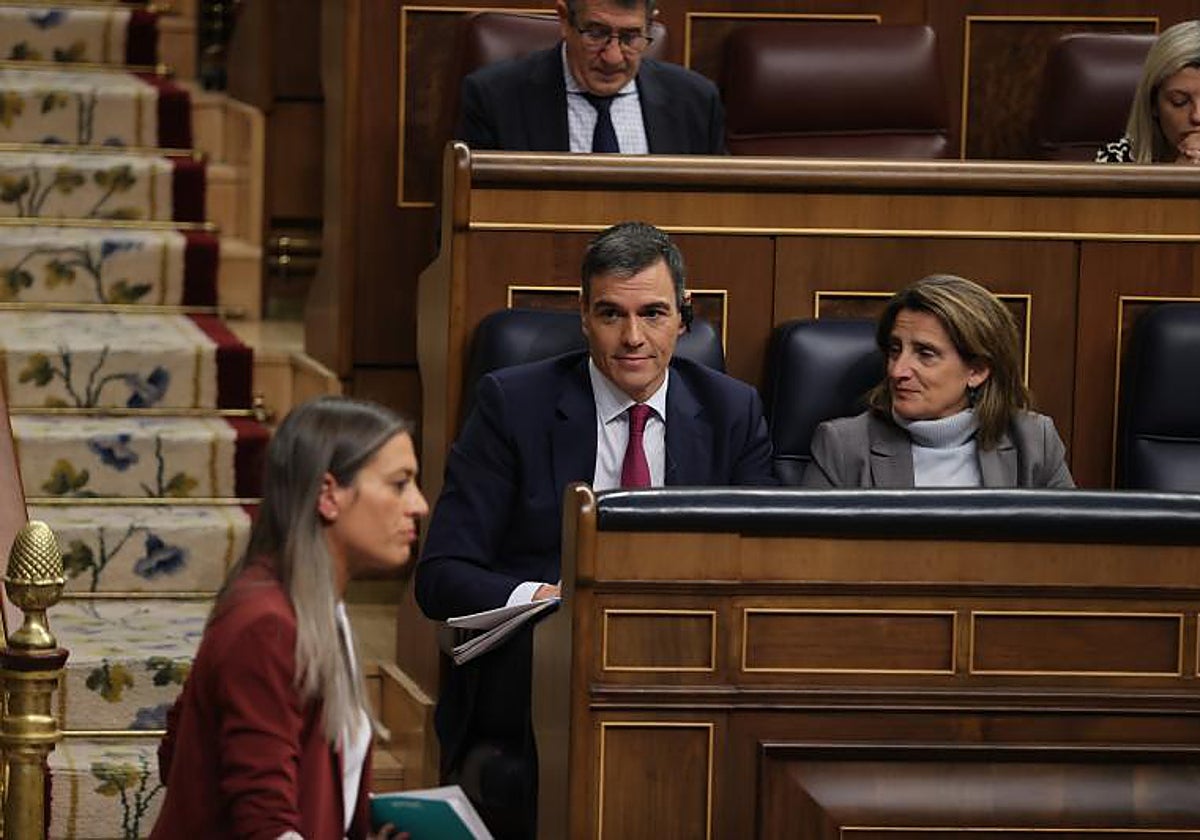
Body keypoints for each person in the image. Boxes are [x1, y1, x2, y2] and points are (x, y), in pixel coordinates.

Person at [415, 221, 774, 838]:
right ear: (583, 316)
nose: (633, 337)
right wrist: (543, 600)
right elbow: (442, 576)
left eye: (653, 314)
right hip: (545, 667)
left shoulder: (732, 412)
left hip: (691, 657)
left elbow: (767, 566)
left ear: (683, 319)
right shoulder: (512, 403)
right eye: (611, 313)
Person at [150, 396, 428, 840]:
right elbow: (264, 823)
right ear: (328, 495)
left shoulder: (318, 606)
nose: (419, 505)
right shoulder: (266, 625)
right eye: (400, 484)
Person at [802, 274, 1075, 489]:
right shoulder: (843, 446)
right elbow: (814, 556)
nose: (898, 371)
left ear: (977, 370)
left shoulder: (1034, 441)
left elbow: (1067, 553)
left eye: (925, 354)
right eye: (895, 350)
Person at [457, 0, 725, 154]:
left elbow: (721, 217)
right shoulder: (495, 97)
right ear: (564, 20)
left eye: (631, 37)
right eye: (596, 34)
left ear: (650, 25)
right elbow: (464, 226)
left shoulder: (696, 102)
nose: (613, 57)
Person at [1096, 19, 1200, 163]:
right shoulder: (1117, 160)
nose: (1197, 116)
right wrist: (1178, 177)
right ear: (1153, 104)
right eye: (1180, 101)